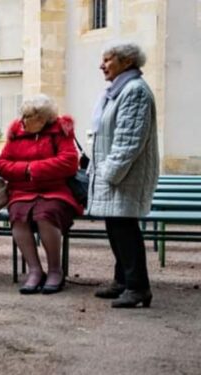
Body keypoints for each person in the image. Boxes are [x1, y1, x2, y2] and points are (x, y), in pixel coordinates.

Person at [86, 42, 158, 308]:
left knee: (125, 230)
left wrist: (109, 172)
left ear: (127, 62)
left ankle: (138, 287)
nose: (101, 65)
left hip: (123, 175)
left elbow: (129, 139)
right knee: (116, 228)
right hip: (114, 174)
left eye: (107, 60)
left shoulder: (134, 91)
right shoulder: (119, 91)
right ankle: (123, 281)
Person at [0, 95, 82, 295]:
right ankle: (35, 270)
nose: (22, 121)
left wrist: (32, 169)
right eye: (23, 116)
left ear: (42, 119)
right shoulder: (16, 132)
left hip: (55, 191)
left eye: (28, 117)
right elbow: (2, 164)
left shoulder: (60, 132)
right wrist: (25, 170)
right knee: (17, 217)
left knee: (45, 215)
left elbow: (69, 162)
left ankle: (55, 270)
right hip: (22, 191)